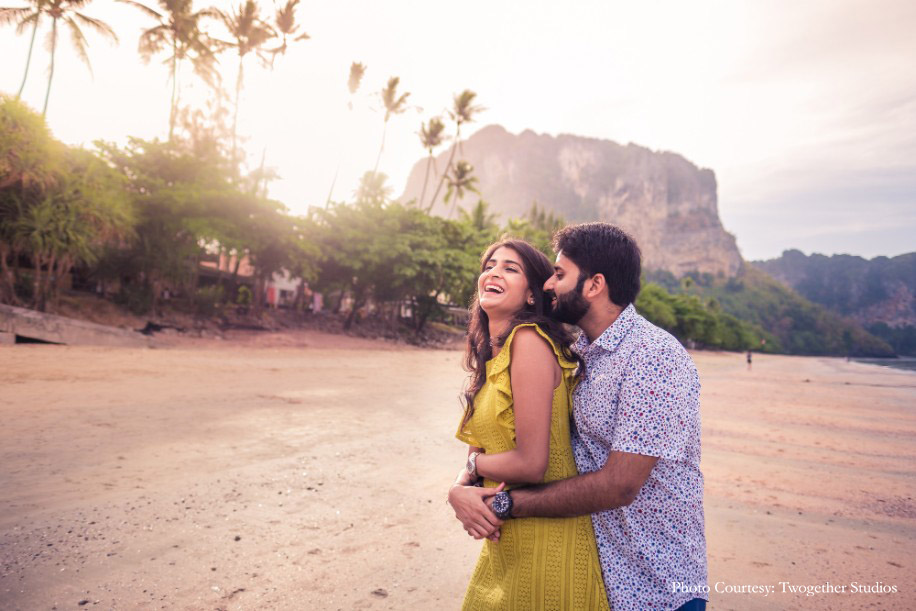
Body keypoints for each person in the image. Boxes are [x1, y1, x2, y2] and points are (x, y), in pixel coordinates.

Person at [450, 223, 708, 611]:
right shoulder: (583, 355)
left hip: (655, 584)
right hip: (594, 567)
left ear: (594, 285)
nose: (550, 285)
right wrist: (462, 486)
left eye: (559, 274)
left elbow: (620, 485)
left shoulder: (653, 356)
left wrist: (503, 505)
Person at [449, 238, 609, 610]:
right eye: (490, 264)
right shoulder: (495, 354)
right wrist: (458, 490)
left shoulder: (529, 342)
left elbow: (530, 463)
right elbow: (479, 453)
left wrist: (472, 468)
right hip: (506, 539)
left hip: (546, 539)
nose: (493, 272)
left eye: (510, 268)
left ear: (533, 296)